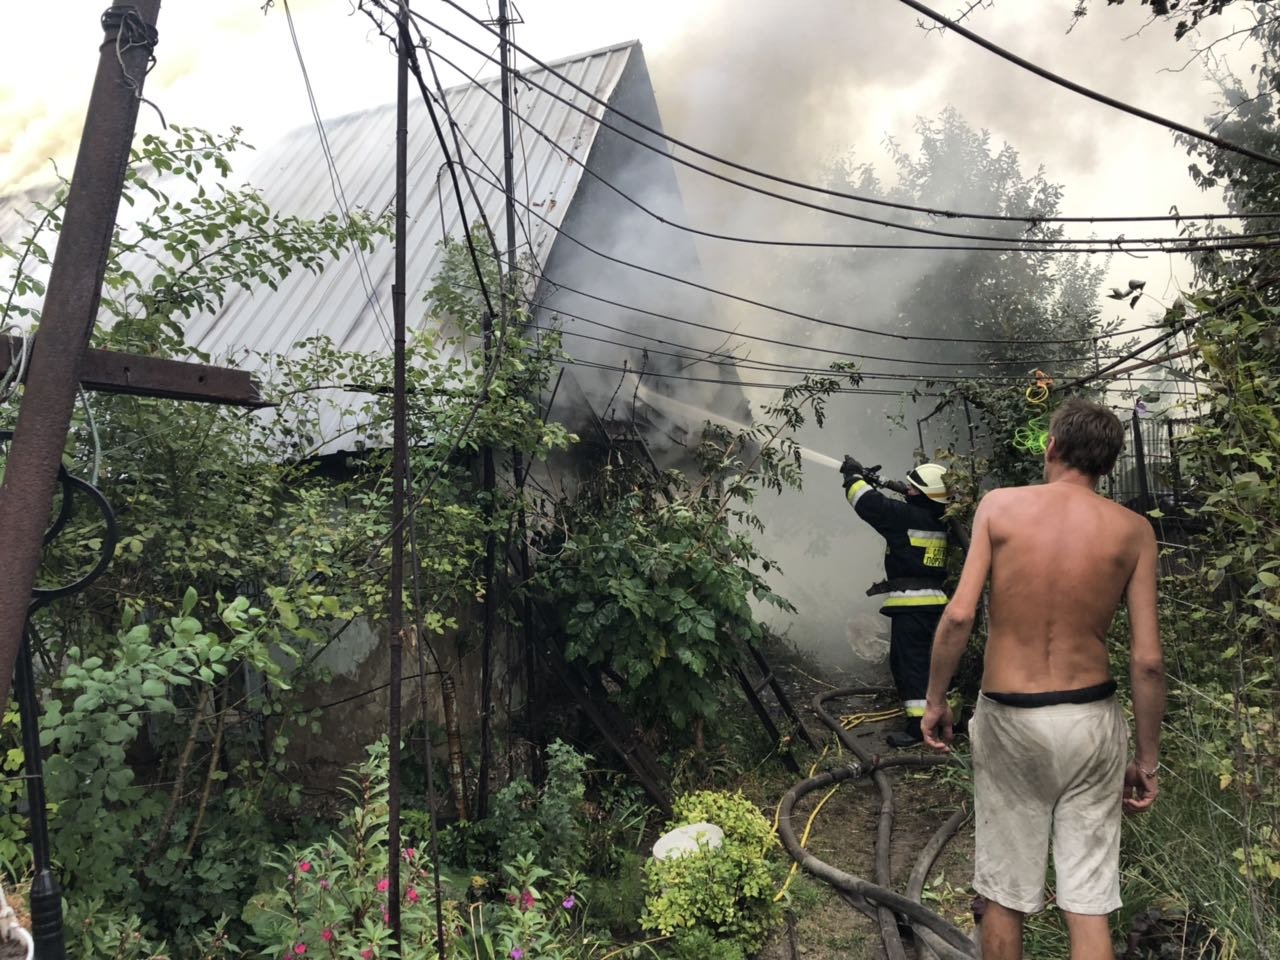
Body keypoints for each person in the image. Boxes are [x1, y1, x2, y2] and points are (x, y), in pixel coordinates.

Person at [920, 397, 1166, 960]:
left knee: (1004, 892)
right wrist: (1147, 761)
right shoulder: (1134, 531)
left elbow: (958, 615)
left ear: (1051, 447)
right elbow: (1148, 660)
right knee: (1088, 898)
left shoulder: (1000, 507)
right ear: (1108, 464)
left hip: (1012, 718)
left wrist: (936, 700)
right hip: (1092, 720)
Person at [840, 457, 952, 748]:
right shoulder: (939, 520)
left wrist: (853, 476)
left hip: (913, 605)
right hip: (935, 603)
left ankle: (918, 730)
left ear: (926, 495)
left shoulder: (906, 518)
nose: (908, 490)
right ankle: (937, 717)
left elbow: (868, 504)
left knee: (910, 664)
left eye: (914, 488)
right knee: (929, 662)